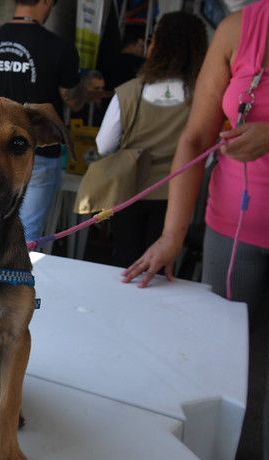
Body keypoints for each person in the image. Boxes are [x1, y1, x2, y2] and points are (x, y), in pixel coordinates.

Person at [121, 0, 269, 460]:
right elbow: (195, 138)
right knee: (213, 360)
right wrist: (172, 235)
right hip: (230, 229)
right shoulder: (239, 29)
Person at [95, 12, 207, 268]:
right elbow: (207, 153)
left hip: (129, 190)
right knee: (159, 269)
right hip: (176, 196)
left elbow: (104, 145)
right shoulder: (202, 97)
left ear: (156, 46)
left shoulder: (129, 92)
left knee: (124, 265)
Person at [0, 0, 81, 243]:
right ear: (46, 2)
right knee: (26, 237)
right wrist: (87, 90)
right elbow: (73, 101)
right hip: (35, 152)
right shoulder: (59, 47)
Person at [103, 26, 146, 91]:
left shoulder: (110, 60)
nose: (142, 50)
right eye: (141, 46)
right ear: (131, 45)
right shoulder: (138, 63)